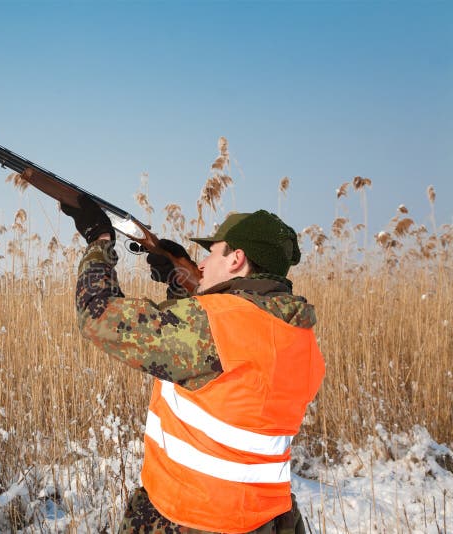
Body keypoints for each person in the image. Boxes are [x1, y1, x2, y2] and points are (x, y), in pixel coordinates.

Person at [61, 195, 325, 534]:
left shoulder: (217, 324)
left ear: (236, 260)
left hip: (192, 517)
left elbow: (97, 315)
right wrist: (177, 273)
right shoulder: (298, 336)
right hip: (265, 518)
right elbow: (221, 372)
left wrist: (99, 240)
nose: (201, 265)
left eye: (212, 253)